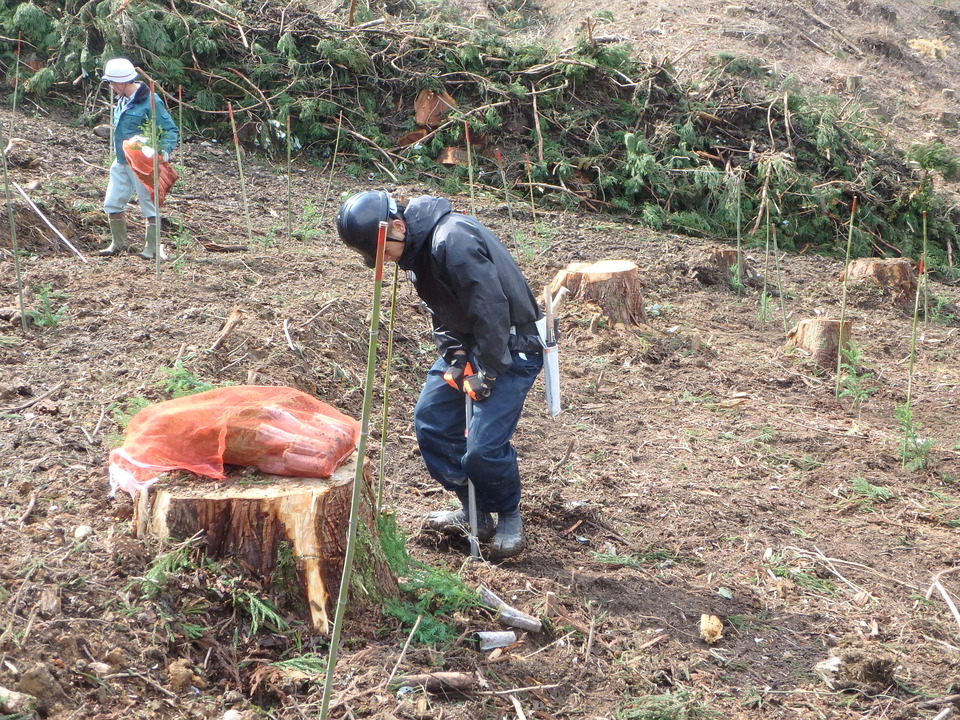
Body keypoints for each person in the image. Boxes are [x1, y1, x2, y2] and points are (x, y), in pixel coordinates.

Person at [336, 191, 544, 558]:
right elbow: (441, 309)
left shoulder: (453, 239)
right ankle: (474, 512)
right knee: (431, 422)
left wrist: (488, 372)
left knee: (483, 448)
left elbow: (492, 307)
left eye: (383, 251)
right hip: (473, 344)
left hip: (511, 345)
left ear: (397, 227)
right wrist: (456, 356)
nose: (383, 260)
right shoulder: (415, 251)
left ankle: (509, 514)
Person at [99, 57, 179, 259]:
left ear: (122, 82)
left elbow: (169, 129)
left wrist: (163, 152)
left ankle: (151, 248)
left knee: (149, 205)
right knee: (112, 202)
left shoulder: (151, 101)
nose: (110, 86)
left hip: (143, 163)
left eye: (111, 82)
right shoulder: (122, 99)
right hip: (121, 160)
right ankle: (117, 244)